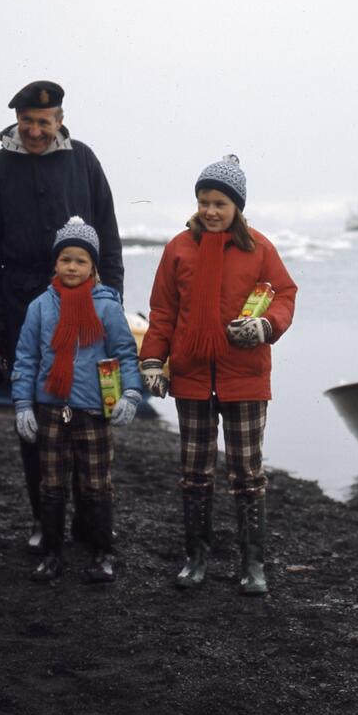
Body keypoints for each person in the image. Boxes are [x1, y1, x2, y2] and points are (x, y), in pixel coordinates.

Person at [0, 80, 124, 553]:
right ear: (16, 121)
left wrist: (111, 301)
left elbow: (109, 240)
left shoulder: (84, 161)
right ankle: (44, 518)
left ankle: (88, 522)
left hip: (85, 312)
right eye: (27, 122)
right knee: (36, 421)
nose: (35, 131)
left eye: (43, 122)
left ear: (59, 119)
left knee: (87, 416)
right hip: (21, 313)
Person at [139, 155, 297, 596]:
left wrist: (266, 326)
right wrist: (153, 361)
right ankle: (197, 556)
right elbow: (163, 310)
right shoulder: (178, 249)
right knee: (194, 472)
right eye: (204, 201)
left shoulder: (260, 249)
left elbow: (284, 294)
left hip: (244, 378)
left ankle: (253, 563)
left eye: (220, 203)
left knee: (247, 473)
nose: (210, 210)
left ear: (237, 207)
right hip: (191, 377)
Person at [11, 216, 143, 583]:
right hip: (51, 410)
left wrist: (131, 393)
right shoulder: (40, 307)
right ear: (55, 262)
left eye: (81, 260)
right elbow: (25, 359)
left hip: (94, 413)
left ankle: (102, 554)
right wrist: (23, 405)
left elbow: (125, 355)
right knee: (52, 484)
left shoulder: (108, 307)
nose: (72, 266)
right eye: (65, 258)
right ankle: (52, 554)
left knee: (96, 484)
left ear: (93, 266)